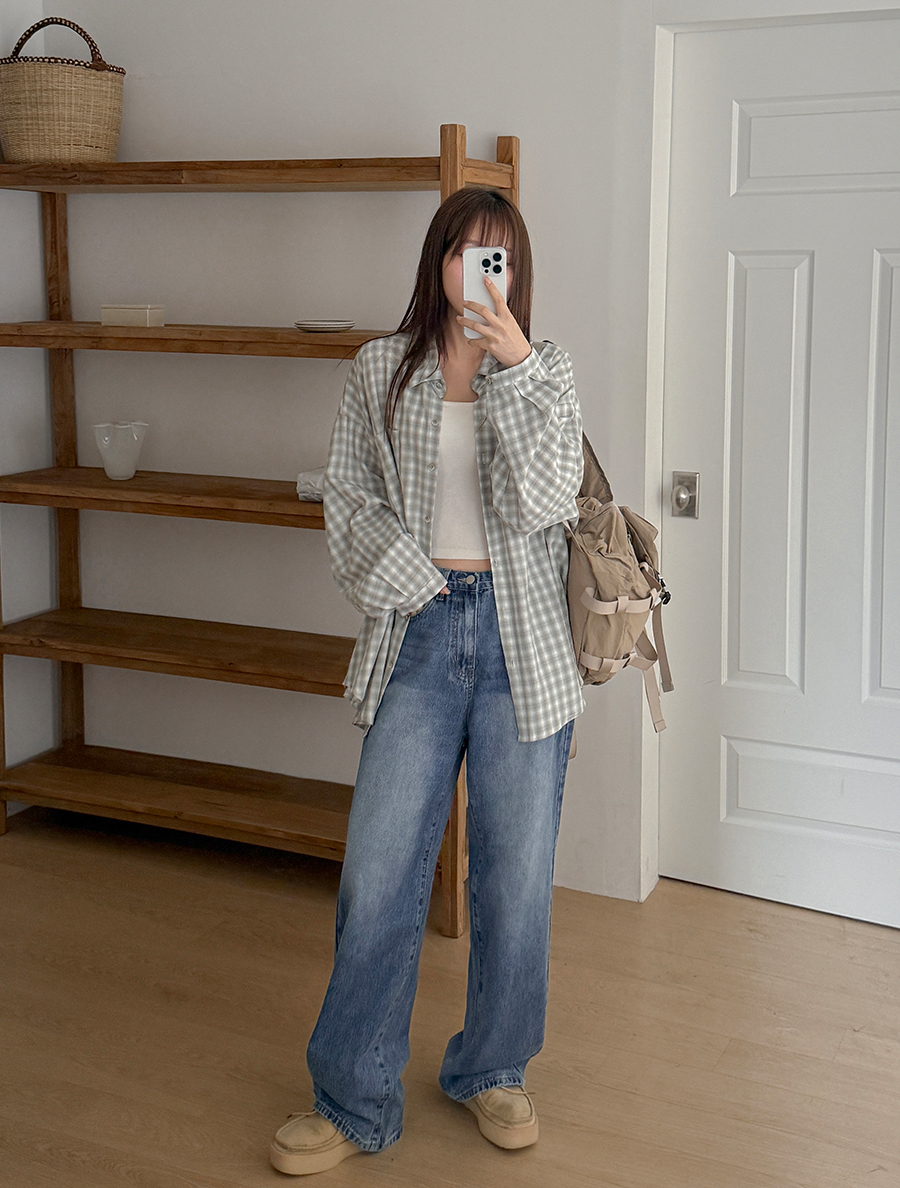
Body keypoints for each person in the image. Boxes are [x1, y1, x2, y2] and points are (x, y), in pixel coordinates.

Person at [269, 186, 585, 1176]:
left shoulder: (546, 372)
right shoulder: (381, 368)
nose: (479, 271)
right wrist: (419, 586)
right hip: (419, 631)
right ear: (437, 259)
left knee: (515, 881)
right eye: (464, 252)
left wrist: (515, 368)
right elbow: (350, 502)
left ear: (516, 272)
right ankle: (351, 1095)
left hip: (525, 646)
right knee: (378, 877)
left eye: (498, 256)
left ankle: (494, 1068)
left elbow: (550, 501)